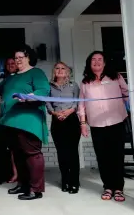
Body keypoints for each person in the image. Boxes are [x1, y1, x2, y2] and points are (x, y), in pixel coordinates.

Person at [0, 45, 50, 201]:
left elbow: (43, 90)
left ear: (28, 58)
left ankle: (35, 189)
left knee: (32, 154)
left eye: (21, 57)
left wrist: (30, 95)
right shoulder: (11, 77)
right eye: (16, 58)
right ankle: (23, 184)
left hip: (28, 120)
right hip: (10, 121)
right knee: (17, 155)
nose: (18, 60)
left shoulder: (36, 73)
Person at [78, 51, 129, 202]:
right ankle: (108, 186)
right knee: (102, 157)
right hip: (96, 125)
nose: (97, 62)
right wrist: (82, 123)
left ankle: (118, 188)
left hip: (117, 121)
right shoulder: (85, 82)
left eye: (100, 59)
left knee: (117, 156)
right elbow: (81, 104)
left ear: (105, 63)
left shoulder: (116, 77)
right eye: (93, 59)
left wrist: (132, 110)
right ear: (89, 63)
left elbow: (127, 94)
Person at [46, 62, 81, 194]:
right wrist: (54, 113)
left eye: (63, 68)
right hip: (57, 121)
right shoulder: (49, 86)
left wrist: (68, 112)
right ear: (54, 71)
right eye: (57, 68)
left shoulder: (74, 85)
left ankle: (74, 182)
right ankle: (65, 180)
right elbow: (47, 102)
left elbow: (77, 102)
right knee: (62, 153)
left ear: (67, 72)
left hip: (71, 120)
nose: (60, 70)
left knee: (72, 152)